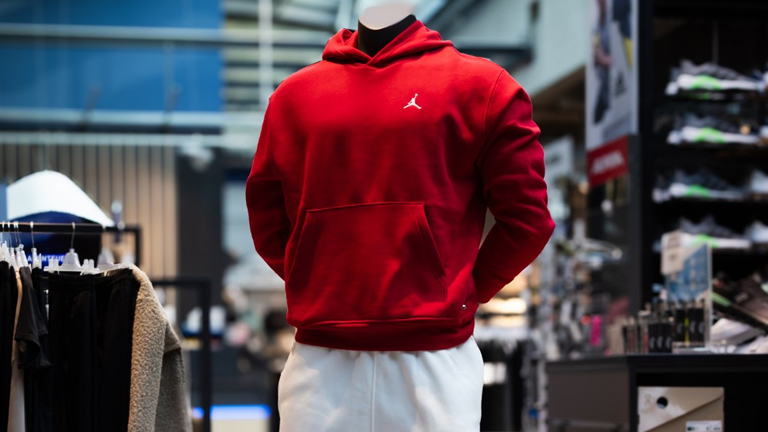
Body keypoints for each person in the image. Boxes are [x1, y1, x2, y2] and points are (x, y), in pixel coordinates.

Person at [246, 2, 555, 431]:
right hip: (322, 361)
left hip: (434, 359)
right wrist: (317, 280)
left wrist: (464, 292)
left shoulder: (481, 88)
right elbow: (267, 217)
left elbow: (528, 219)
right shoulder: (293, 98)